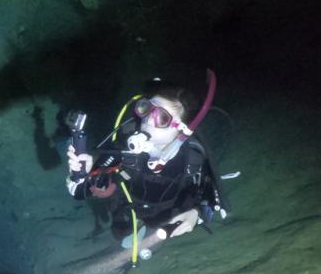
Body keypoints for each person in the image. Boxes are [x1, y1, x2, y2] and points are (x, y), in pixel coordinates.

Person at [65, 74, 227, 248]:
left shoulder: (193, 156)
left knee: (162, 229)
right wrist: (82, 173)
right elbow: (80, 193)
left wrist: (196, 213)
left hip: (169, 212)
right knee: (120, 234)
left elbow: (212, 196)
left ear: (182, 130)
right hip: (128, 206)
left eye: (162, 118)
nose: (148, 119)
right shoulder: (125, 142)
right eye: (146, 108)